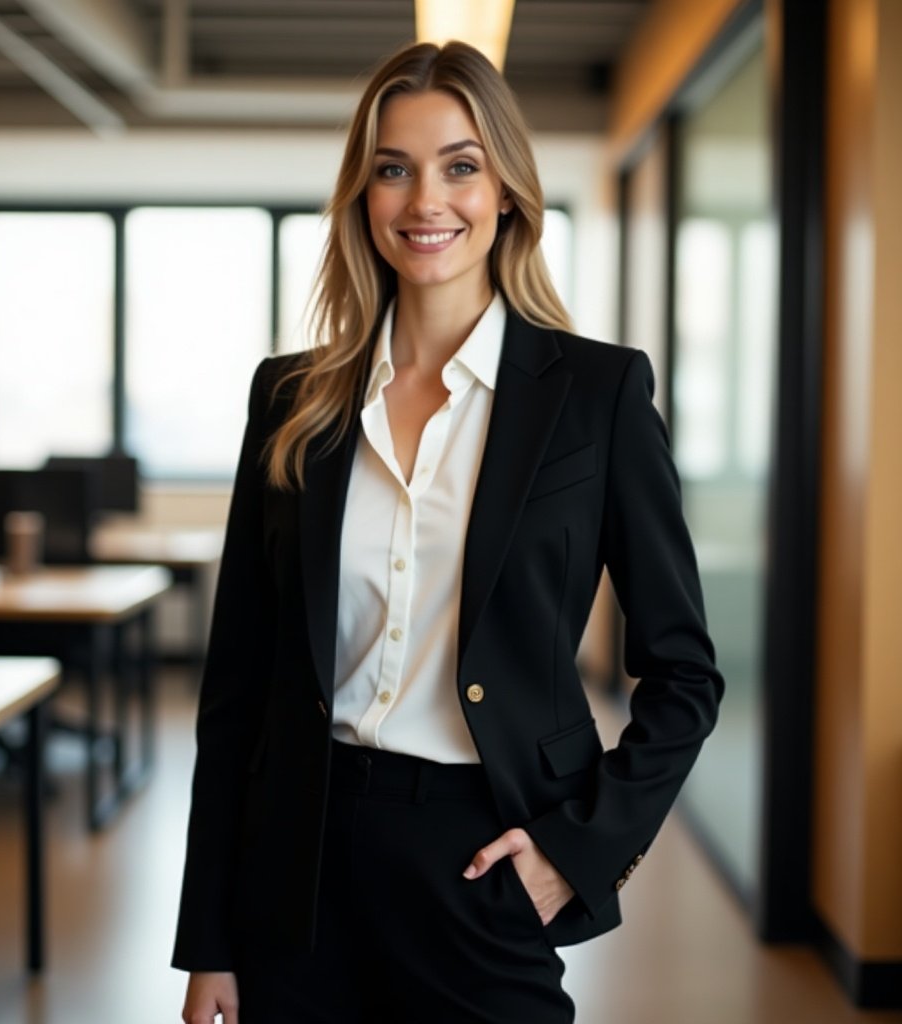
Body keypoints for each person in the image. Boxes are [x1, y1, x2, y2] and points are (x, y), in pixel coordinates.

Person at [174, 40, 723, 1024]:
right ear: (362, 194)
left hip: (485, 855)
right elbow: (238, 688)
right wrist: (207, 937)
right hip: (297, 864)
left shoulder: (594, 395)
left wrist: (580, 849)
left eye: (459, 165)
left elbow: (684, 673)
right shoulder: (292, 398)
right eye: (394, 168)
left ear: (506, 189)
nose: (426, 200)